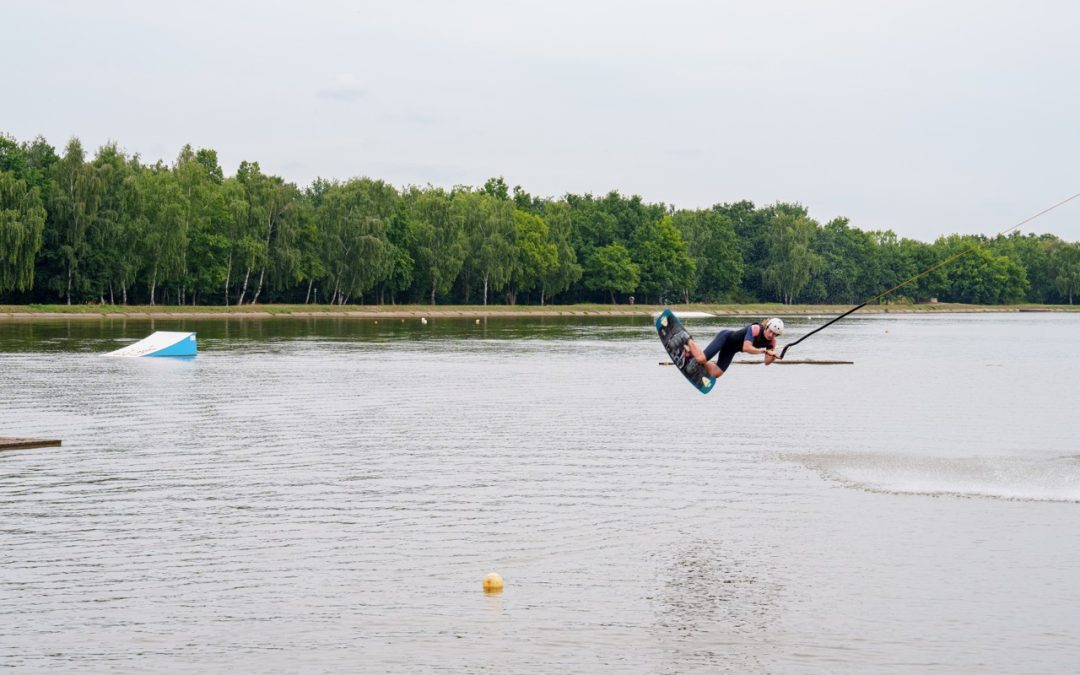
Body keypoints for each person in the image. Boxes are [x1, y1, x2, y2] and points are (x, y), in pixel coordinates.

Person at [682, 317, 784, 379]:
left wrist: (774, 356)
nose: (771, 335)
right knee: (701, 359)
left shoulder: (772, 342)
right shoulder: (756, 329)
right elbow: (746, 347)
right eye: (771, 331)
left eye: (775, 334)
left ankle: (692, 354)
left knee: (716, 373)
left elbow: (766, 361)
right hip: (725, 338)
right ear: (767, 326)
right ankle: (686, 339)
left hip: (731, 349)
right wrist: (763, 351)